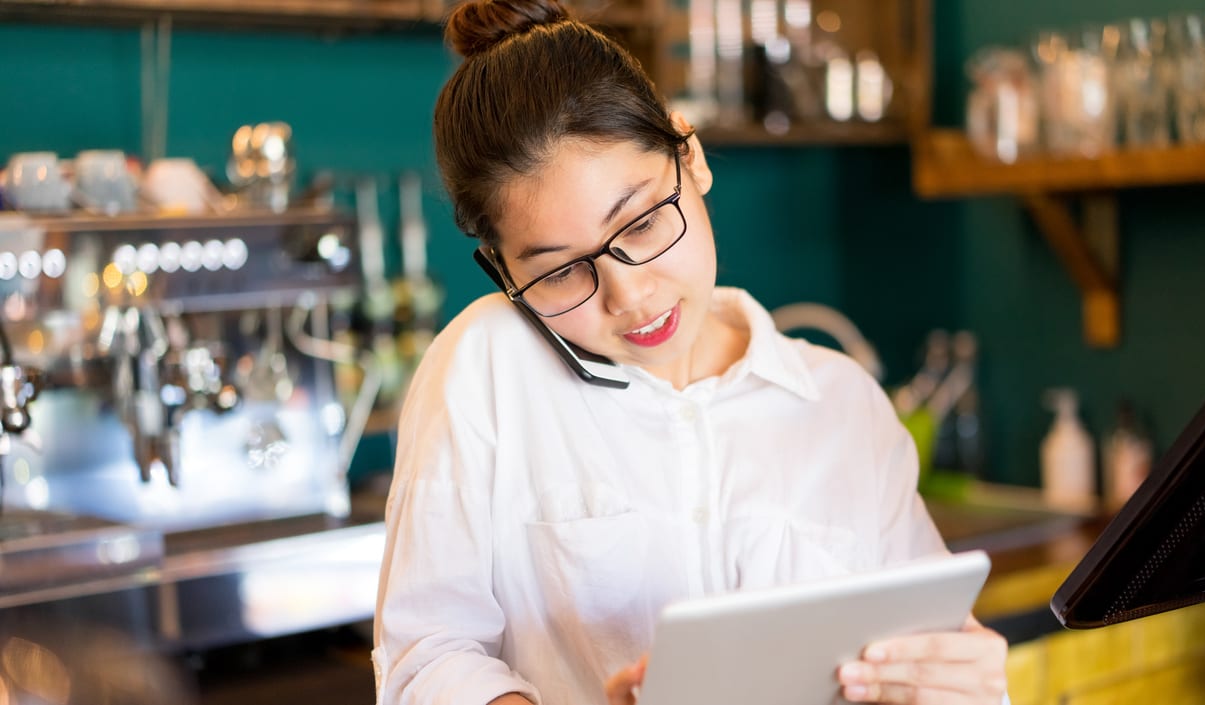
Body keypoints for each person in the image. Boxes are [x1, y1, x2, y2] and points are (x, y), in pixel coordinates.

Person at [372, 0, 1010, 702]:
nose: (627, 295)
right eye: (559, 272)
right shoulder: (485, 366)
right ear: (502, 267)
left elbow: (920, 646)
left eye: (642, 222)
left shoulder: (842, 404)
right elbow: (424, 658)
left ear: (690, 154)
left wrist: (955, 682)